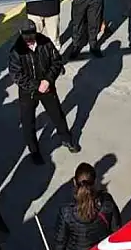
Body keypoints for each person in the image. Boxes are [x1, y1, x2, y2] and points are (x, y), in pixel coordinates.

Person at [9, 19, 80, 165]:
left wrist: (48, 80)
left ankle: (66, 139)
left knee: (57, 114)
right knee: (28, 122)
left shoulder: (45, 42)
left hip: (47, 86)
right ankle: (34, 151)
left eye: (31, 37)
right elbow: (17, 75)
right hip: (28, 91)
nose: (29, 41)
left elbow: (56, 62)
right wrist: (36, 85)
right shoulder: (16, 51)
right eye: (26, 38)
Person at [53, 162, 121, 250]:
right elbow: (117, 229)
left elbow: (60, 242)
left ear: (74, 182)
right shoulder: (106, 201)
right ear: (94, 182)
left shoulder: (66, 212)